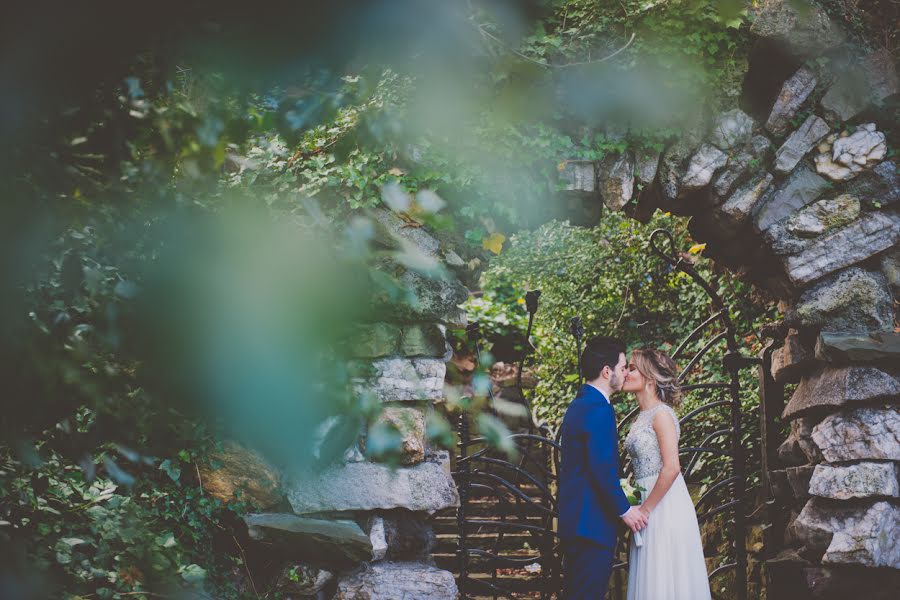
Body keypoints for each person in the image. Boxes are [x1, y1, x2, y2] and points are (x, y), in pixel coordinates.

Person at [558, 336, 648, 600]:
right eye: (622, 368)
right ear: (606, 371)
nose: (625, 373)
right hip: (591, 525)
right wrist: (625, 510)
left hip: (579, 522)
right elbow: (601, 467)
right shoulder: (598, 409)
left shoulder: (581, 404)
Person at [622, 348, 711, 600]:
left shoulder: (661, 415)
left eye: (632, 368)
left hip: (663, 504)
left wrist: (646, 510)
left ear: (649, 378)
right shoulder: (642, 416)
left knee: (664, 573)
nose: (626, 373)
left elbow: (672, 467)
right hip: (647, 498)